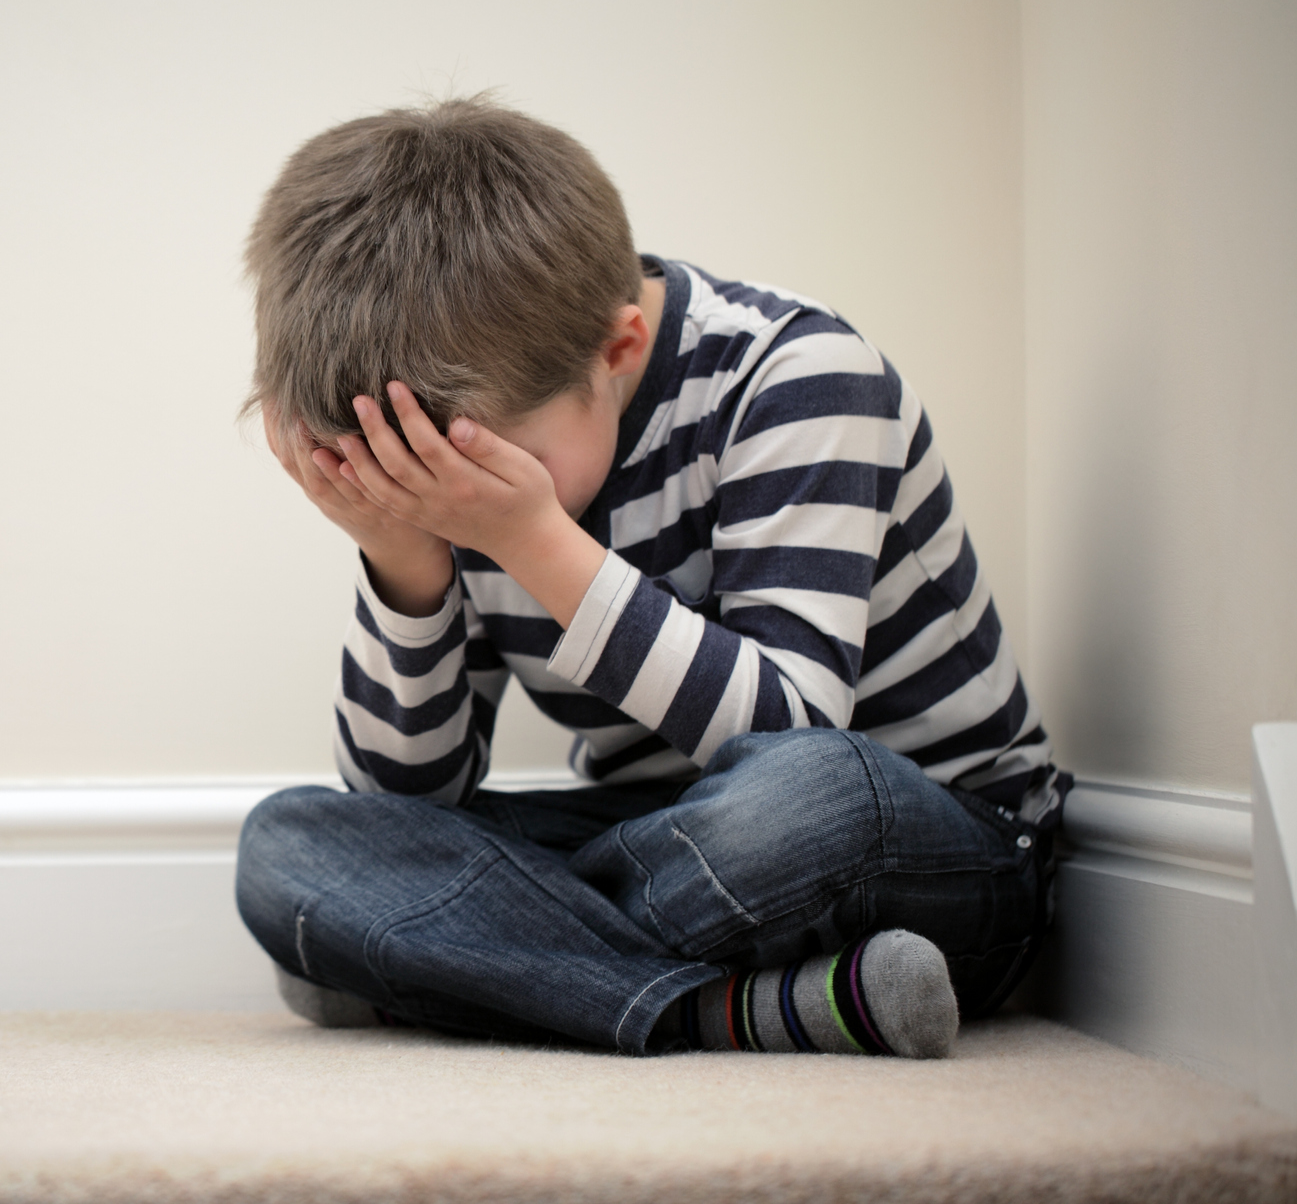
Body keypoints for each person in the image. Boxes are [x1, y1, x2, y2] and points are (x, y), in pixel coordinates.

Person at [234, 96, 1069, 1058]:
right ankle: (738, 1010)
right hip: (672, 841)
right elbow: (408, 804)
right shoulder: (453, 478)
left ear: (618, 347)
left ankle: (458, 967)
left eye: (479, 472)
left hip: (923, 840)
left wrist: (529, 537)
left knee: (810, 802)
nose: (445, 501)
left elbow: (792, 731)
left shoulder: (798, 374)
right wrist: (404, 560)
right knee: (291, 849)